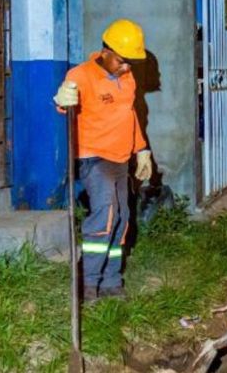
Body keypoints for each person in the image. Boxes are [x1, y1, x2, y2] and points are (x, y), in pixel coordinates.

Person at [53, 19, 154, 301]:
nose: (127, 68)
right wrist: (61, 99)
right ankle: (87, 284)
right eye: (123, 61)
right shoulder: (81, 74)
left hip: (121, 159)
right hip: (94, 157)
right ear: (106, 52)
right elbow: (64, 103)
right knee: (105, 216)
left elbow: (129, 115)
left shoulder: (127, 79)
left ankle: (111, 281)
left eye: (131, 63)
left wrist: (141, 149)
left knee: (122, 219)